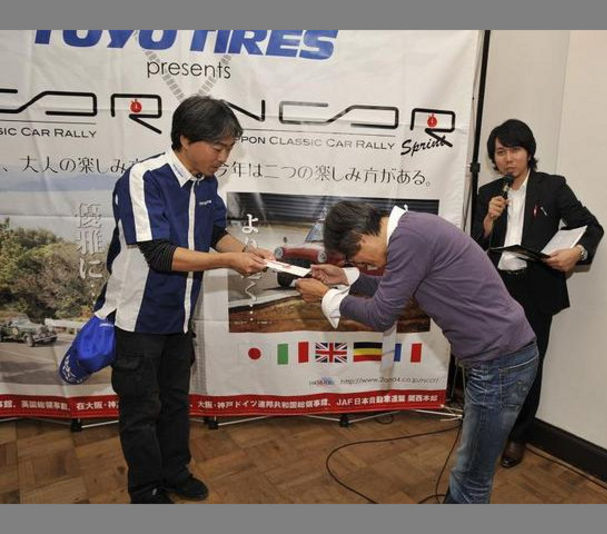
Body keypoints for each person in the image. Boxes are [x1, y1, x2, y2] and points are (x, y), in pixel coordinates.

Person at [295, 200, 539, 503]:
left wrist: (326, 297)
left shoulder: (409, 238)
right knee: (469, 472)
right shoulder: (412, 231)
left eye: (357, 260)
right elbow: (395, 288)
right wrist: (346, 278)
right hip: (500, 359)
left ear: (361, 238)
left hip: (500, 363)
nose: (363, 266)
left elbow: (381, 314)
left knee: (472, 477)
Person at [94, 95, 274, 504]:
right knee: (141, 410)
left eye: (229, 148)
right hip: (138, 318)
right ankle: (145, 490)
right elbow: (158, 254)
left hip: (179, 316)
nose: (223, 158)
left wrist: (247, 252)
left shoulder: (206, 183)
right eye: (218, 147)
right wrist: (229, 261)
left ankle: (175, 472)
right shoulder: (144, 178)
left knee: (175, 401)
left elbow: (214, 234)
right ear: (185, 139)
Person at [472, 118, 604, 468]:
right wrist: (488, 221)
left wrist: (577, 252)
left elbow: (591, 227)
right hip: (496, 289)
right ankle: (487, 427)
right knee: (490, 361)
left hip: (534, 289)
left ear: (529, 152)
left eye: (515, 150)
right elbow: (473, 244)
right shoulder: (488, 193)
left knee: (529, 364)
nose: (508, 159)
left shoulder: (552, 187)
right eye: (501, 152)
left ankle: (518, 435)